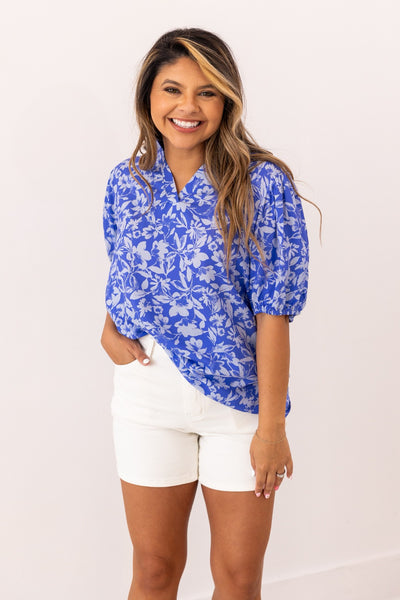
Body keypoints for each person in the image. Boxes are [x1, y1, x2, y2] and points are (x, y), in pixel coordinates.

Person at [101, 27, 310, 600]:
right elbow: (125, 277)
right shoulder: (126, 183)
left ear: (227, 100)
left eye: (206, 92)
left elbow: (274, 311)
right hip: (147, 398)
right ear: (149, 96)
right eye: (172, 89)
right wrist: (109, 331)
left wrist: (272, 429)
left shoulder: (261, 185)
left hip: (239, 407)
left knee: (238, 580)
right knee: (153, 570)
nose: (188, 107)